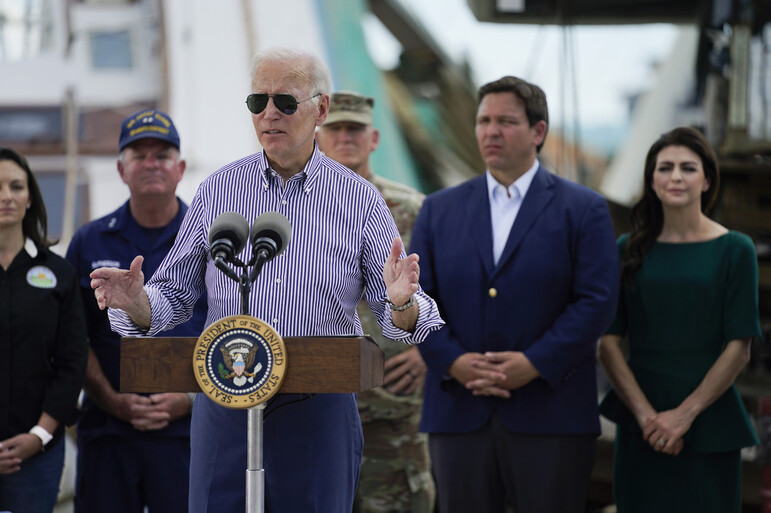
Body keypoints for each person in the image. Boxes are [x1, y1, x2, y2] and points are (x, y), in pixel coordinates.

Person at [89, 47, 444, 513]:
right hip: (225, 397)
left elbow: (399, 315)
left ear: (321, 108)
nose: (269, 114)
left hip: (317, 404)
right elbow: (173, 294)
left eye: (285, 101)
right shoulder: (218, 189)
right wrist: (135, 304)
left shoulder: (359, 200)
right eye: (258, 102)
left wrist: (402, 302)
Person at [409, 75, 620, 513]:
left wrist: (535, 363)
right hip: (458, 412)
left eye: (505, 120)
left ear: (538, 131)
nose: (490, 131)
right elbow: (417, 298)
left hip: (551, 413)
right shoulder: (438, 209)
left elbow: (597, 301)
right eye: (484, 120)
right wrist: (453, 361)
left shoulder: (584, 209)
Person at [597, 126, 760, 513]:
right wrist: (647, 417)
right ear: (651, 180)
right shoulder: (627, 249)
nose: (675, 177)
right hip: (641, 417)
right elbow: (608, 343)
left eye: (688, 168)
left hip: (708, 417)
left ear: (706, 180)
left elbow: (739, 348)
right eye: (664, 167)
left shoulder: (736, 250)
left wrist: (683, 416)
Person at [66, 109, 208, 513]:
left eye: (161, 154)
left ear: (180, 168)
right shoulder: (89, 240)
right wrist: (113, 400)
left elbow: (231, 328)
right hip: (110, 431)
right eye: (138, 154)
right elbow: (74, 336)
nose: (150, 163)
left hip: (189, 434)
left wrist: (191, 398)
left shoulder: (210, 241)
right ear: (120, 169)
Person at [316, 90, 434, 513]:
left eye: (355, 129)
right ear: (318, 137)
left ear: (375, 138)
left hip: (394, 409)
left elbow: (453, 289)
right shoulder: (296, 212)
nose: (345, 137)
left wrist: (429, 350)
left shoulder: (412, 208)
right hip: (320, 404)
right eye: (336, 129)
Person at [0, 147, 88, 513]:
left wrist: (39, 435)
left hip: (36, 454)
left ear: (30, 197)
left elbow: (72, 361)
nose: (6, 196)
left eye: (16, 186)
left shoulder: (59, 273)